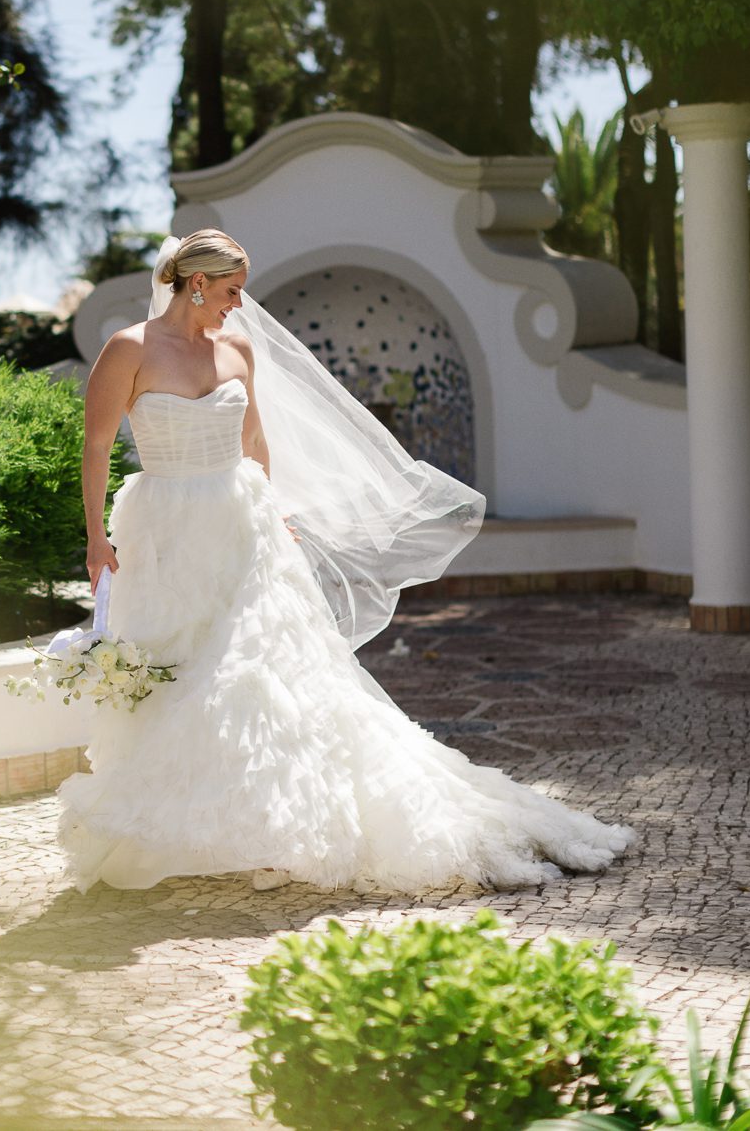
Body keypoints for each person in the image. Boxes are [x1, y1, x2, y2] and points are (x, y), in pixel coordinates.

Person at [55, 229, 634, 894]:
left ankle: (281, 825)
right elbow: (96, 446)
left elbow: (256, 443)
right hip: (163, 531)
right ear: (196, 284)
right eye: (231, 292)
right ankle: (186, 824)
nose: (237, 307)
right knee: (180, 670)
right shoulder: (129, 349)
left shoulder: (238, 351)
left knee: (261, 675)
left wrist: (275, 516)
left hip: (243, 529)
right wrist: (96, 538)